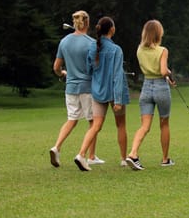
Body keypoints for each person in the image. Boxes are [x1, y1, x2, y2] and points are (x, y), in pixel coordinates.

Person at [74, 16, 130, 171]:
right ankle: (124, 159)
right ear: (111, 29)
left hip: (98, 91)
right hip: (114, 92)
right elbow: (117, 75)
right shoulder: (116, 49)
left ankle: (81, 154)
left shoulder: (93, 47)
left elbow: (89, 69)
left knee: (96, 125)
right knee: (121, 125)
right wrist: (118, 100)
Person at [49, 10, 104, 168]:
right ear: (87, 23)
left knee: (72, 119)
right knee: (93, 123)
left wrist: (63, 73)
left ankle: (57, 147)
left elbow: (56, 67)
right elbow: (96, 67)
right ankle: (87, 156)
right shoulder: (91, 43)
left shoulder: (64, 42)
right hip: (87, 87)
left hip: (71, 87)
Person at [126, 20, 175, 171]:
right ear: (158, 33)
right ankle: (165, 159)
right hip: (161, 87)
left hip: (146, 88)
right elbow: (162, 71)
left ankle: (133, 153)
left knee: (145, 126)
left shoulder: (140, 49)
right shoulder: (162, 50)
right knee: (164, 123)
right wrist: (169, 73)